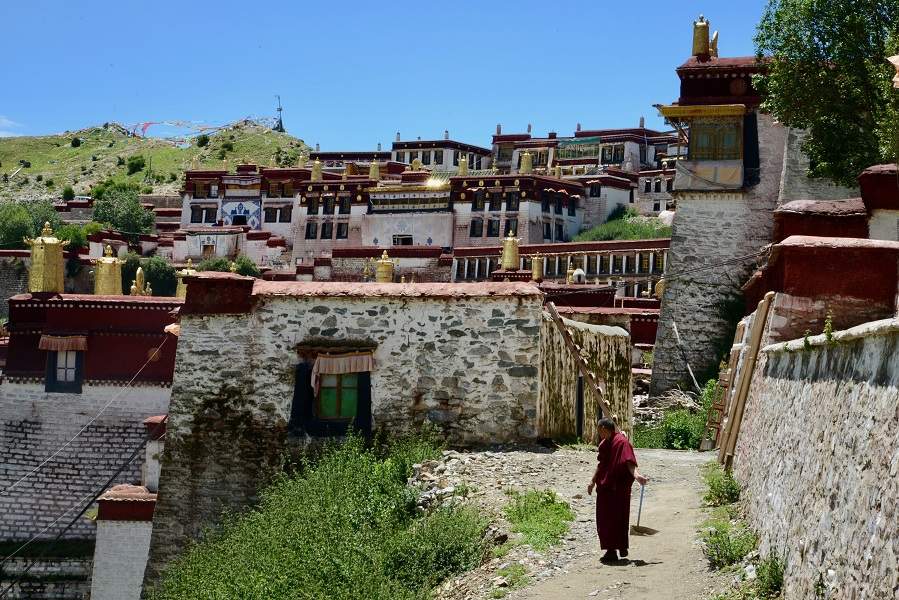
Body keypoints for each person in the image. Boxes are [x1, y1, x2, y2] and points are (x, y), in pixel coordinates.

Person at [587, 417, 647, 563]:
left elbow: (629, 462)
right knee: (605, 520)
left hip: (619, 488)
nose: (599, 433)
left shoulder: (622, 442)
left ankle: (615, 549)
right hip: (606, 488)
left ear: (603, 429)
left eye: (599, 430)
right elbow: (601, 464)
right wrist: (592, 481)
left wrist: (637, 475)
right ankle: (615, 548)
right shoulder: (603, 444)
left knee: (619, 518)